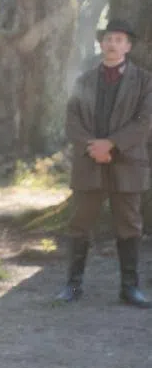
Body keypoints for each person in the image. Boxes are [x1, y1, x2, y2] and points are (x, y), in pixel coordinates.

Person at [57, 18, 152, 308]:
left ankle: (130, 288)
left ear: (128, 46)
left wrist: (110, 144)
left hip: (128, 162)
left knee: (129, 224)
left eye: (119, 40)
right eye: (108, 39)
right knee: (80, 222)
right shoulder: (83, 81)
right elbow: (71, 121)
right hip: (89, 162)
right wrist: (92, 146)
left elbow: (145, 122)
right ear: (101, 43)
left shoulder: (145, 81)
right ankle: (72, 285)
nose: (112, 44)